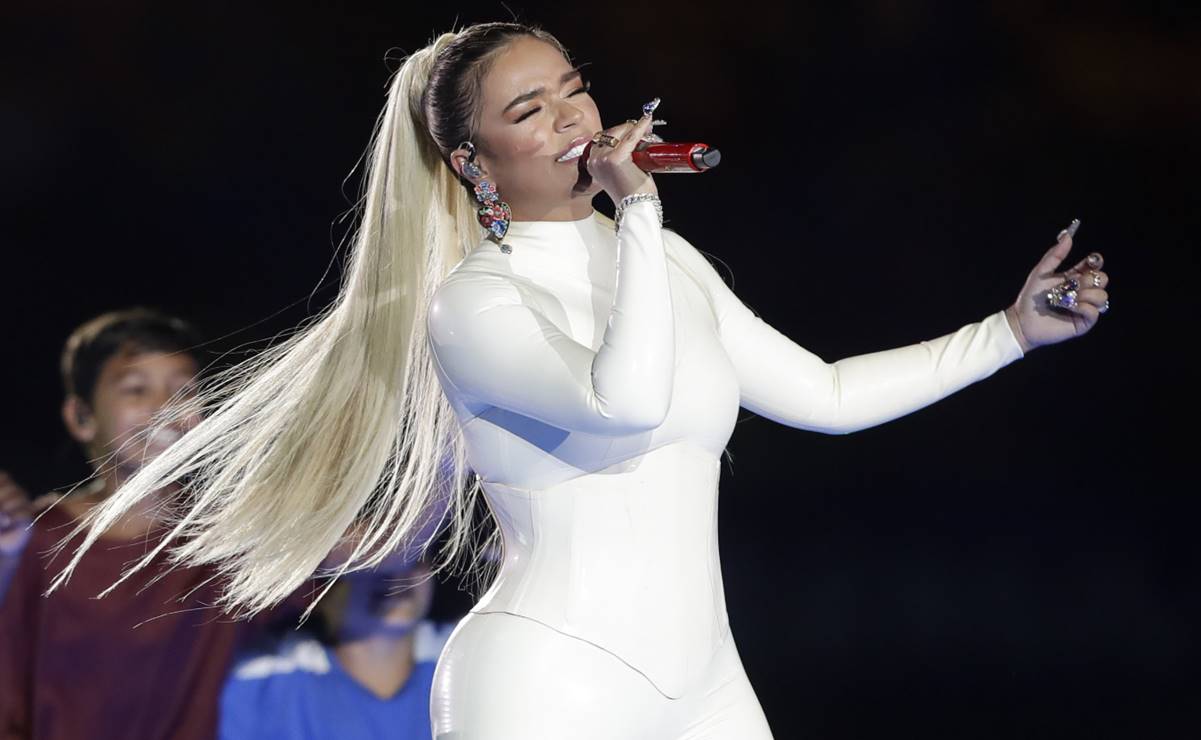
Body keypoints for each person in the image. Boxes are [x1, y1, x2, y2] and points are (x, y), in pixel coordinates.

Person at [48, 22, 1112, 739]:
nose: (569, 118)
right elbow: (624, 399)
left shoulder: (672, 268)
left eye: (573, 90)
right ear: (472, 162)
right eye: (528, 111)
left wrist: (1009, 332)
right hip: (546, 677)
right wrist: (640, 214)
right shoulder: (473, 302)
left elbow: (825, 395)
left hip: (705, 678)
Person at [0, 307, 297, 739]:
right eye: (137, 390)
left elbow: (379, 557)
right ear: (81, 417)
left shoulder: (230, 537)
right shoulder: (31, 538)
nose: (164, 409)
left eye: (184, 391)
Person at [219, 550, 452, 739]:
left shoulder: (470, 660)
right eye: (371, 558)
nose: (397, 574)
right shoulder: (262, 682)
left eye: (414, 553)